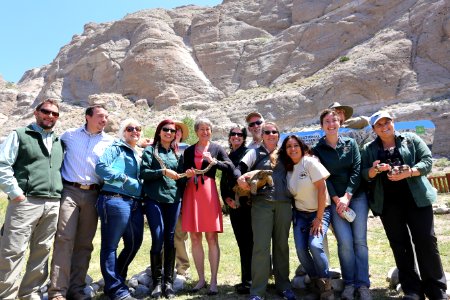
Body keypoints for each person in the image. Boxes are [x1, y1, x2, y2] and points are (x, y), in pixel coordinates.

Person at [361, 111, 448, 300]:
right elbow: (364, 173)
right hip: (389, 204)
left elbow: (427, 161)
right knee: (400, 245)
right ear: (374, 129)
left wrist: (409, 172)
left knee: (426, 241)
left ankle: (436, 289)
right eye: (379, 125)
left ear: (393, 122)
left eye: (387, 122)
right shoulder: (369, 148)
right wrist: (375, 169)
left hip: (417, 199)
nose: (385, 127)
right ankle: (412, 290)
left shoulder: (411, 139)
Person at [0, 99, 64, 299]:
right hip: (25, 202)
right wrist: (15, 193)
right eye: (46, 111)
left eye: (55, 114)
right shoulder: (19, 134)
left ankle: (30, 293)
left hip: (52, 203)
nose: (50, 116)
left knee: (42, 250)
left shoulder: (58, 141)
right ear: (36, 113)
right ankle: (6, 295)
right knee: (13, 250)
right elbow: (3, 164)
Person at [48, 105, 113, 300]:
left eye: (106, 117)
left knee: (85, 244)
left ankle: (76, 289)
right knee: (64, 240)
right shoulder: (69, 135)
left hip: (94, 194)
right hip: (70, 191)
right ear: (88, 117)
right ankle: (57, 291)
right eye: (101, 116)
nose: (105, 120)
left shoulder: (110, 142)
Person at [312, 109, 371, 300]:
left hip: (357, 197)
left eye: (334, 120)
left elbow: (356, 169)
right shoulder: (318, 150)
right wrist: (338, 199)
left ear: (340, 123)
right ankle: (349, 283)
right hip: (335, 202)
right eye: (327, 121)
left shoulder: (351, 143)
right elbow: (323, 177)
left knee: (359, 242)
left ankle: (362, 285)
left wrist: (348, 195)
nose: (331, 124)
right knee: (345, 243)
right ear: (322, 126)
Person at [237, 122, 296, 300]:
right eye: (267, 132)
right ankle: (257, 292)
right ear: (262, 135)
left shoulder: (285, 153)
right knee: (261, 248)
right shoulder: (254, 152)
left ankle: (284, 286)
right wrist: (240, 178)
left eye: (274, 132)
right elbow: (239, 169)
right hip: (261, 204)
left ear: (279, 135)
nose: (271, 134)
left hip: (284, 204)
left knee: (281, 246)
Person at [181, 118, 235, 296]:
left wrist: (214, 162)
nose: (205, 132)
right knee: (195, 238)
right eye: (202, 129)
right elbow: (181, 172)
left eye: (208, 129)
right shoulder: (188, 150)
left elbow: (231, 167)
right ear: (196, 131)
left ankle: (213, 281)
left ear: (211, 131)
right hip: (191, 193)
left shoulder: (217, 148)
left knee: (211, 237)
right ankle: (201, 279)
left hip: (208, 193)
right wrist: (186, 174)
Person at [95, 118, 145, 300]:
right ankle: (117, 289)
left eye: (138, 129)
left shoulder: (137, 152)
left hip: (134, 203)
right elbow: (100, 168)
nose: (134, 131)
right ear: (123, 132)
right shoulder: (116, 148)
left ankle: (116, 280)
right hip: (114, 199)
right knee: (110, 246)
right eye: (130, 128)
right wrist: (123, 179)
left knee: (134, 242)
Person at [279, 135, 334, 299]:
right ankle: (316, 283)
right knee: (301, 250)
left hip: (320, 212)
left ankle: (326, 286)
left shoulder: (309, 162)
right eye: (289, 146)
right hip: (300, 215)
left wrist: (318, 218)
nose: (293, 149)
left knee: (315, 245)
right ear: (285, 150)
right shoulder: (288, 169)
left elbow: (322, 189)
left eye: (296, 145)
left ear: (302, 147)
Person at [140, 119, 190, 299]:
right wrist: (162, 172)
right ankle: (156, 282)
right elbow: (143, 173)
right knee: (158, 238)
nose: (169, 133)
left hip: (173, 200)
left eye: (172, 130)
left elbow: (181, 179)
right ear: (159, 132)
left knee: (170, 239)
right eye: (165, 129)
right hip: (154, 199)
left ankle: (168, 282)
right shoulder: (150, 151)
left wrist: (187, 175)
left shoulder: (178, 155)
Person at [219, 125, 252, 294]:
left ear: (244, 137)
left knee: (250, 243)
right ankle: (247, 279)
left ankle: (251, 280)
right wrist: (227, 199)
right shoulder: (228, 156)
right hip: (234, 206)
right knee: (242, 243)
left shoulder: (249, 153)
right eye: (233, 134)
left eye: (240, 134)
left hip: (248, 205)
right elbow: (224, 182)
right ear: (229, 137)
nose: (236, 136)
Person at [172, 121, 191, 278]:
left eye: (178, 130)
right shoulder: (158, 149)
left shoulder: (188, 150)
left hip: (183, 195)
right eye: (172, 129)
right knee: (163, 233)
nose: (175, 132)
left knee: (180, 233)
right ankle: (164, 266)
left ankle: (183, 268)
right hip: (163, 196)